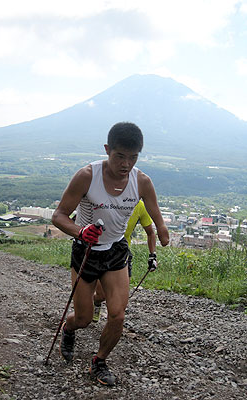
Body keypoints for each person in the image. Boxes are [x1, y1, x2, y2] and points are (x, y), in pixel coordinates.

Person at [52, 122, 169, 386]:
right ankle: (69, 329)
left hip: (116, 250)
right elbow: (59, 216)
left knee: (117, 314)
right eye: (120, 156)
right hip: (86, 250)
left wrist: (161, 230)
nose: (126, 163)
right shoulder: (86, 176)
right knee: (84, 318)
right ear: (107, 150)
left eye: (133, 157)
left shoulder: (142, 181)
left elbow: (154, 211)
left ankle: (100, 361)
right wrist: (80, 232)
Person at [92, 199, 157, 323]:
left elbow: (150, 233)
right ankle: (97, 302)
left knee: (121, 299)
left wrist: (152, 255)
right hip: (103, 250)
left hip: (123, 252)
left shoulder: (140, 205)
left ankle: (113, 324)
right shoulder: (109, 199)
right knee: (101, 295)